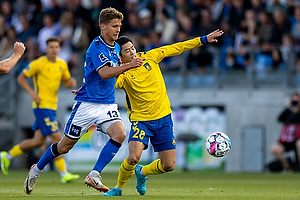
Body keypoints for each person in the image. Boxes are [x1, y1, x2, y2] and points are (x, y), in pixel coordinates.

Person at [23, 7, 145, 195]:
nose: (117, 29)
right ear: (102, 26)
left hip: (107, 103)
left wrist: (87, 82)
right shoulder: (96, 46)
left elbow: (100, 74)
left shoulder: (117, 48)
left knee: (120, 134)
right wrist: (129, 66)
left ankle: (94, 174)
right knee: (64, 146)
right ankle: (36, 169)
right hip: (87, 105)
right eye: (114, 26)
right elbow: (104, 73)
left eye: (119, 26)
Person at [103, 29, 224, 196]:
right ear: (119, 56)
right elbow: (105, 83)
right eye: (127, 51)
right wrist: (85, 89)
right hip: (141, 121)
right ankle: (118, 188)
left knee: (169, 165)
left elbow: (178, 47)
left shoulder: (150, 56)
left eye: (132, 48)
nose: (132, 52)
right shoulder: (122, 74)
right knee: (133, 158)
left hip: (164, 119)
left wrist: (203, 39)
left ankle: (142, 172)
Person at [0, 36, 79, 184]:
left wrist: (71, 83)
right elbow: (21, 78)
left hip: (52, 107)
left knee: (37, 141)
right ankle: (64, 173)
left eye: (56, 47)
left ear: (60, 48)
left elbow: (67, 82)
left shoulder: (62, 64)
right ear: (46, 48)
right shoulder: (39, 63)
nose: (54, 49)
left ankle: (7, 156)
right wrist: (33, 94)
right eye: (51, 47)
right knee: (57, 138)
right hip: (42, 107)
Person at [270, 92, 300, 171]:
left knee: (299, 144)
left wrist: (297, 110)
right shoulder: (288, 112)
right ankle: (287, 166)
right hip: (287, 139)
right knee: (274, 148)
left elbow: (296, 119)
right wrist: (287, 108)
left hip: (296, 138)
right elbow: (280, 119)